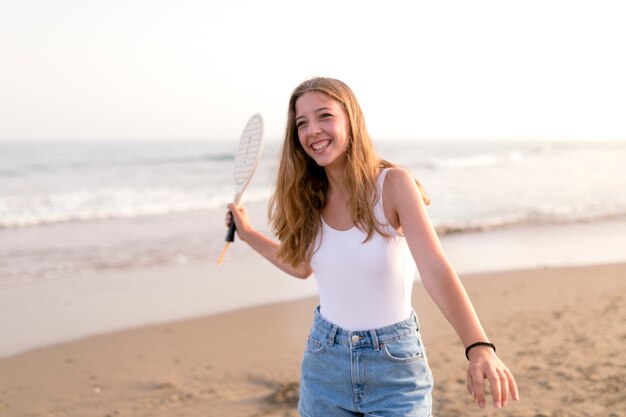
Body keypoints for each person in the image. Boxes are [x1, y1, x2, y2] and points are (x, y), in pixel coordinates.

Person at [225, 77, 518, 416]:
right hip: (324, 365)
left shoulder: (393, 185)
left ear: (351, 119)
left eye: (324, 116)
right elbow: (302, 267)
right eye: (302, 123)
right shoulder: (309, 198)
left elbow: (435, 269)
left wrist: (479, 346)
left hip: (394, 368)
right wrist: (246, 234)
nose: (312, 130)